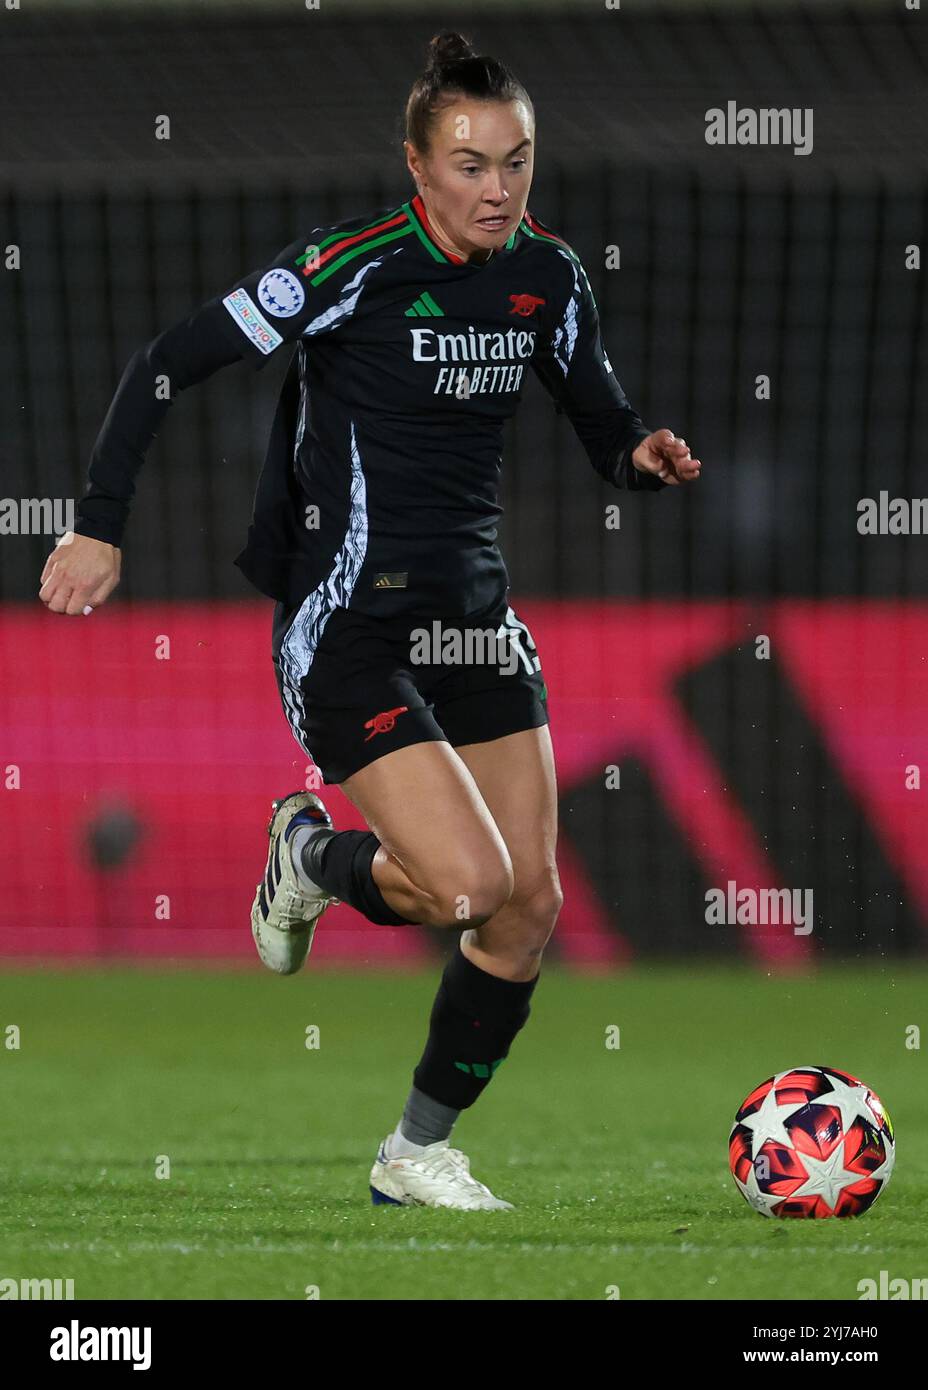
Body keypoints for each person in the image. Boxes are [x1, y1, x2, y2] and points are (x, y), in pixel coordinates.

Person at [39, 30, 702, 1210]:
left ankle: (414, 1154)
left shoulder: (548, 276)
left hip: (477, 618)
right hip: (349, 624)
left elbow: (603, 428)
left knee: (529, 905)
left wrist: (641, 455)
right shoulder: (347, 265)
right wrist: (97, 523)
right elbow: (162, 362)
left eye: (516, 160)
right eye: (469, 163)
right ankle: (310, 854)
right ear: (416, 164)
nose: (497, 186)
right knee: (461, 891)